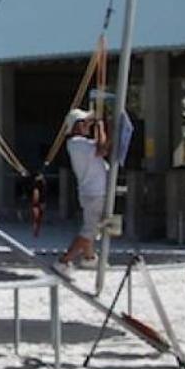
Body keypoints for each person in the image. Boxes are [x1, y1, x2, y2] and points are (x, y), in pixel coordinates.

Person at [58, 110, 109, 267]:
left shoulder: (79, 144)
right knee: (90, 230)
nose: (88, 125)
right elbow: (102, 149)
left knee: (92, 225)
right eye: (85, 122)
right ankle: (64, 261)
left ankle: (89, 257)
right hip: (94, 193)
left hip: (91, 191)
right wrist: (100, 127)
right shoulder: (77, 143)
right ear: (78, 125)